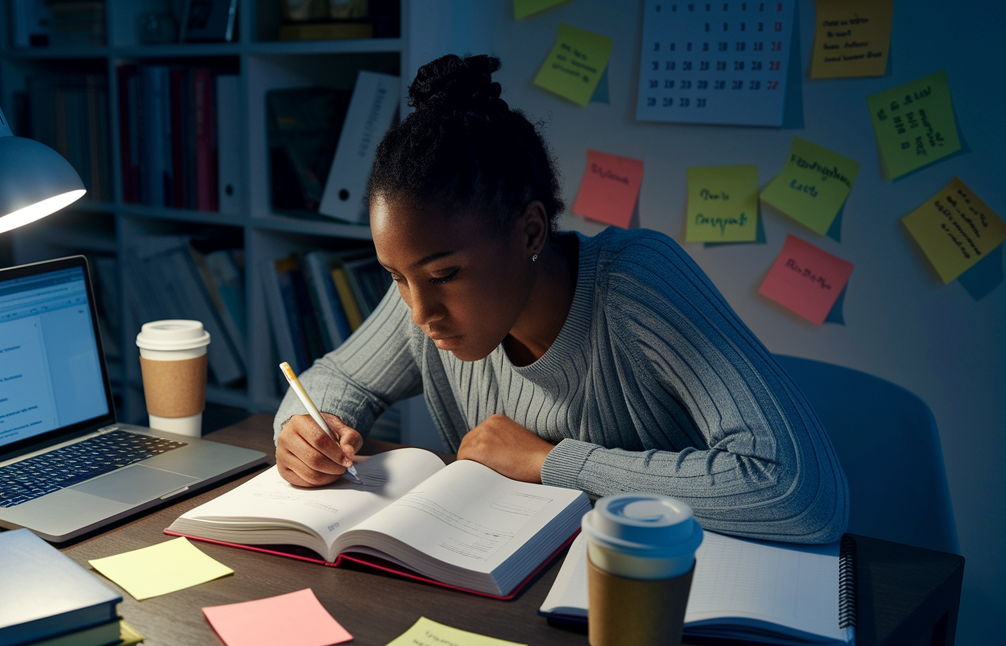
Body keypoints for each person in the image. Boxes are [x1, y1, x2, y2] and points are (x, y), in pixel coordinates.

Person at [274, 54, 847, 544]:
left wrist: (550, 463)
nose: (420, 313)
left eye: (445, 274)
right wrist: (309, 423)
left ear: (530, 231)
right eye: (396, 276)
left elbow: (801, 491)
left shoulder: (636, 283)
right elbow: (340, 379)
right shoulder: (423, 297)